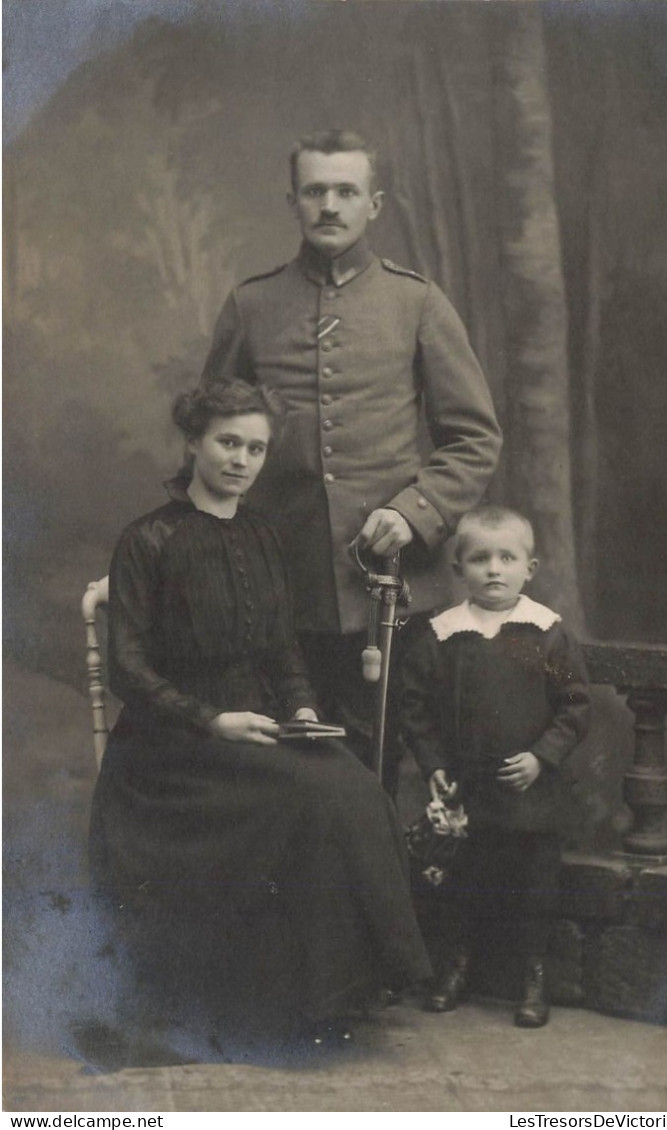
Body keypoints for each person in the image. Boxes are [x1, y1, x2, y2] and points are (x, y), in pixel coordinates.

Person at [87, 380, 432, 1062]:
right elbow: (128, 670)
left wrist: (301, 706)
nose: (241, 459)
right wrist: (213, 721)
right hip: (169, 748)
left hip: (261, 722)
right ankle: (283, 1005)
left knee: (355, 787)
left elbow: (280, 647)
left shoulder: (262, 535)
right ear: (193, 444)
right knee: (312, 798)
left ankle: (340, 993)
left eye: (255, 447)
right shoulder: (146, 540)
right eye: (227, 443)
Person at [200, 129, 502, 793]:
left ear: (375, 203)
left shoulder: (415, 301)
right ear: (293, 202)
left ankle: (366, 899)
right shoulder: (252, 305)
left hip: (388, 592)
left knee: (374, 771)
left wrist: (413, 510)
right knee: (279, 773)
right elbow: (208, 434)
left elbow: (473, 436)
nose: (329, 205)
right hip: (275, 586)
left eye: (345, 191)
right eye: (315, 191)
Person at [401, 505, 590, 1027]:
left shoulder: (545, 633)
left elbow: (574, 706)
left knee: (533, 885)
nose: (494, 569)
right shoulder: (443, 635)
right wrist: (434, 763)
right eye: (480, 558)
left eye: (507, 557)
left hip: (529, 791)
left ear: (529, 568)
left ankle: (533, 975)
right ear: (458, 568)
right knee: (457, 884)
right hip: (466, 790)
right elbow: (414, 707)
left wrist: (540, 757)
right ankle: (455, 967)